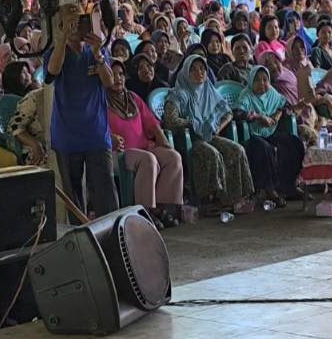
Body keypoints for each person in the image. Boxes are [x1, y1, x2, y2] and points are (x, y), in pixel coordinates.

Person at [45, 7, 118, 218]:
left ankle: (112, 235)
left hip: (96, 133)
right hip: (67, 135)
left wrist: (98, 54)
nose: (77, 27)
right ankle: (82, 242)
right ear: (61, 26)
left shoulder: (97, 51)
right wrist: (63, 40)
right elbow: (51, 74)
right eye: (71, 23)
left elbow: (109, 82)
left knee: (106, 192)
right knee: (74, 197)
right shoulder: (55, 52)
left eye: (80, 22)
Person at [163, 54, 254, 210]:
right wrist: (193, 123)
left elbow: (228, 113)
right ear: (186, 72)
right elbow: (170, 120)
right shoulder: (179, 94)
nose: (200, 73)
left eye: (202, 69)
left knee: (236, 150)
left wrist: (217, 127)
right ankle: (211, 202)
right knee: (212, 154)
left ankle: (236, 198)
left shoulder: (209, 90)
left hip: (209, 135)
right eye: (194, 70)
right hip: (190, 140)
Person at [106, 61, 184, 224]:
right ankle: (144, 212)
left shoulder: (133, 98)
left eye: (120, 74)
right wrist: (110, 137)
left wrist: (162, 138)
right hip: (118, 152)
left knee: (173, 157)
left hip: (144, 146)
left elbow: (150, 122)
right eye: (113, 74)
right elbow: (98, 128)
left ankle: (160, 208)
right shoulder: (101, 101)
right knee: (149, 160)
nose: (118, 78)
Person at [237, 65, 306, 202]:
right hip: (253, 136)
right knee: (265, 149)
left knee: (294, 143)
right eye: (257, 80)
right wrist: (258, 117)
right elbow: (238, 113)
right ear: (251, 81)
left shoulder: (272, 93)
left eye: (265, 80)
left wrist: (277, 114)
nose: (261, 84)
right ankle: (270, 189)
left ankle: (289, 185)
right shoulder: (246, 94)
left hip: (270, 133)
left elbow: (284, 105)